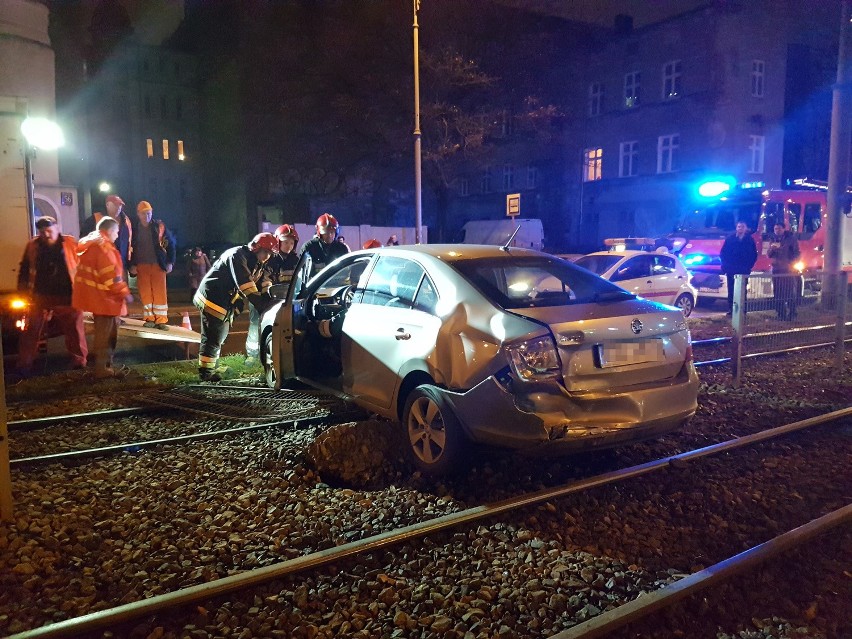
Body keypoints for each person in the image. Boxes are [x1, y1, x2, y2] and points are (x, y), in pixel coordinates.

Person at [193, 233, 278, 381]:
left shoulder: (257, 262)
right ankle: (205, 374)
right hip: (213, 298)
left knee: (220, 336)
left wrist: (271, 299)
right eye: (265, 252)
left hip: (225, 300)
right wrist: (264, 306)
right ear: (256, 248)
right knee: (213, 337)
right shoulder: (237, 256)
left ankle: (211, 367)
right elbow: (246, 285)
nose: (267, 257)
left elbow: (262, 282)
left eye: (270, 254)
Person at [15, 216, 87, 376]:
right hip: (40, 297)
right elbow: (24, 270)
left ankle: (79, 361)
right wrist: (22, 293)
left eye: (49, 230)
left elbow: (83, 266)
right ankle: (24, 364)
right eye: (42, 232)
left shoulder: (70, 244)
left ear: (57, 228)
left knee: (75, 330)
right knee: (31, 331)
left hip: (68, 296)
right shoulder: (33, 246)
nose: (46, 234)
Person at [73, 217, 133, 379]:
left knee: (103, 335)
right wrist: (125, 293)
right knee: (106, 337)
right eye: (117, 232)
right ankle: (102, 369)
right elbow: (111, 277)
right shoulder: (104, 247)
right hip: (106, 300)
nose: (117, 235)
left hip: (98, 299)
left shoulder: (92, 244)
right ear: (110, 231)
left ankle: (104, 367)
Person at [245, 224, 300, 362]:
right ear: (279, 242)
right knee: (256, 323)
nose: (289, 245)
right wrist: (269, 295)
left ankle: (279, 354)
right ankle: (253, 356)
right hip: (265, 299)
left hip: (287, 300)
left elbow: (300, 280)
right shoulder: (271, 259)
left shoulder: (296, 260)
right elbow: (265, 280)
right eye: (286, 242)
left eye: (292, 243)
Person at [129, 200, 176, 329]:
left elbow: (171, 244)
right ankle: (149, 318)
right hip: (141, 266)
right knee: (145, 293)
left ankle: (161, 320)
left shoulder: (159, 226)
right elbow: (129, 248)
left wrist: (170, 262)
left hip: (158, 265)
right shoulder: (133, 229)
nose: (147, 216)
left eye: (149, 213)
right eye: (144, 213)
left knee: (159, 292)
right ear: (138, 214)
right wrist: (131, 265)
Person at [80, 194, 133, 271]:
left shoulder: (126, 221)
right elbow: (84, 239)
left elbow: (130, 242)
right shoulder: (94, 219)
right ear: (107, 205)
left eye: (120, 205)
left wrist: (130, 264)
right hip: (101, 266)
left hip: (122, 265)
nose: (118, 208)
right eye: (115, 205)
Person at [719, 220, 758, 316]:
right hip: (731, 269)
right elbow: (723, 253)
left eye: (742, 227)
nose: (740, 228)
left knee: (742, 291)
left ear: (746, 228)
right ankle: (732, 310)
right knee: (731, 290)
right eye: (739, 226)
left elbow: (753, 254)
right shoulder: (730, 239)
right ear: (736, 228)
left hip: (743, 270)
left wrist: (749, 266)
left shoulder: (750, 240)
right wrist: (725, 266)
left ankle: (742, 311)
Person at [767, 222, 801, 320]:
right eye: (775, 229)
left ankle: (792, 313)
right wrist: (772, 249)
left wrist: (791, 264)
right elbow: (768, 255)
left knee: (790, 292)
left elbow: (796, 253)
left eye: (779, 229)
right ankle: (780, 313)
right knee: (778, 292)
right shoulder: (773, 239)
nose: (777, 231)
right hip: (776, 269)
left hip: (788, 269)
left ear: (783, 229)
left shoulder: (791, 239)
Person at [300, 213, 350, 278]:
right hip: (315, 287)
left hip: (336, 286)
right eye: (326, 232)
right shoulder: (309, 248)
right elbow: (303, 275)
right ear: (319, 232)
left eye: (332, 232)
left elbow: (346, 272)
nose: (329, 235)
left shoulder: (342, 248)